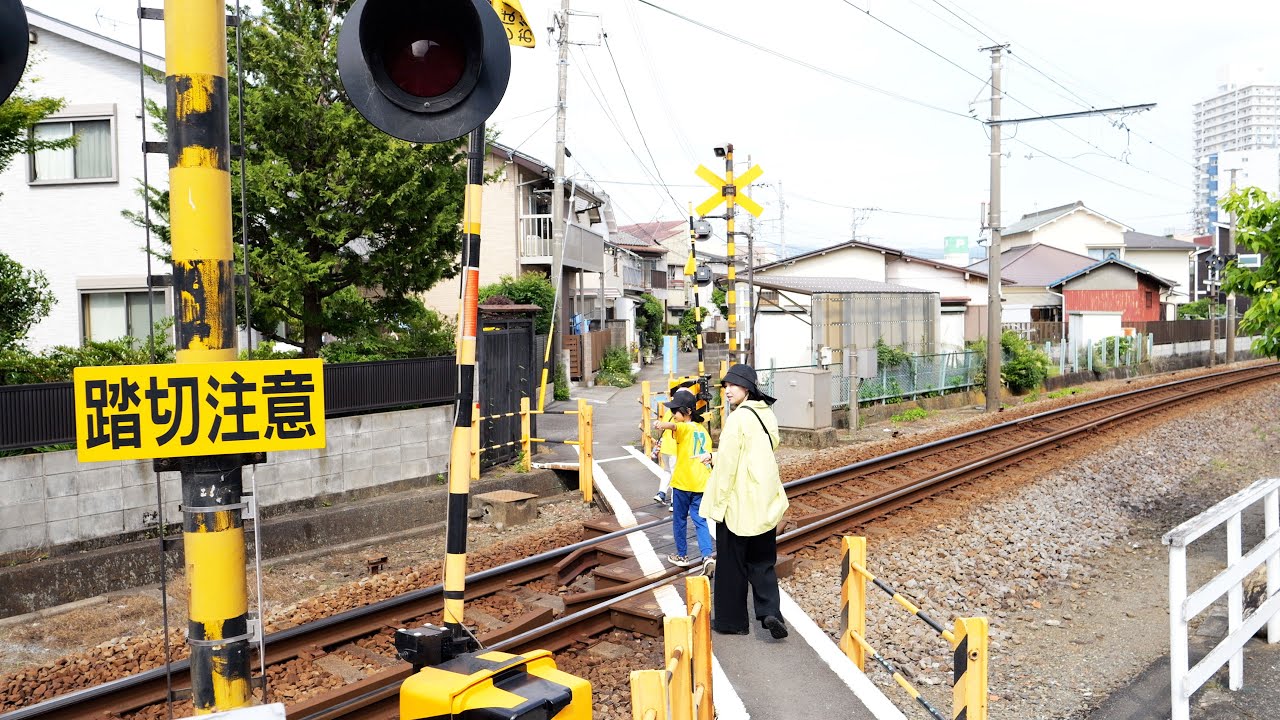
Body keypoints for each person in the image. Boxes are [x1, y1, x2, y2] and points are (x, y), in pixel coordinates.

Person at [699, 363, 790, 640]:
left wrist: (717, 505)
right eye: (725, 386)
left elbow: (727, 468)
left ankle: (731, 622)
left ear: (747, 388)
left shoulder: (737, 419)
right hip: (764, 501)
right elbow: (760, 449)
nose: (727, 391)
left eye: (733, 385)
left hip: (739, 504)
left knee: (731, 565)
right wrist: (715, 456)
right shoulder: (765, 414)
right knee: (762, 562)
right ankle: (770, 612)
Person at [652, 389, 715, 573]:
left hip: (683, 483)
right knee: (700, 520)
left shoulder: (685, 427)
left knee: (679, 519)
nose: (673, 414)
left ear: (687, 412)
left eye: (675, 411)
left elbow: (674, 427)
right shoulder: (703, 431)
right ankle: (707, 556)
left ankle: (682, 555)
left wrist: (661, 424)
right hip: (702, 482)